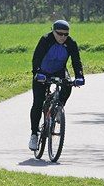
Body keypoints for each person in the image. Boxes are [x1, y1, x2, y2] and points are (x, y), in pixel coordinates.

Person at [28, 20, 85, 150]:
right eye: (59, 34)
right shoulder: (45, 40)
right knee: (38, 103)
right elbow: (36, 58)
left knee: (68, 86)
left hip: (59, 71)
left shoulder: (71, 43)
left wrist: (80, 76)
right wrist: (37, 73)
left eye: (65, 34)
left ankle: (58, 108)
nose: (62, 37)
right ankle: (34, 134)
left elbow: (76, 61)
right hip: (42, 72)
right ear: (53, 31)